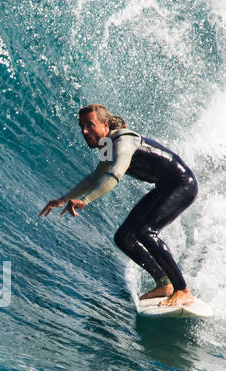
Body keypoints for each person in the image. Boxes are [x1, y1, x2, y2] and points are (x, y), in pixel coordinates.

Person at [40, 104, 200, 307]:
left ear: (105, 124)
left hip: (182, 184)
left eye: (89, 125)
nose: (84, 131)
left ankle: (182, 289)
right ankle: (164, 283)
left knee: (146, 232)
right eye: (81, 126)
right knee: (124, 237)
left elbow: (114, 174)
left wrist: (86, 200)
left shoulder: (123, 141)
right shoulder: (108, 145)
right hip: (164, 187)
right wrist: (62, 199)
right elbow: (93, 178)